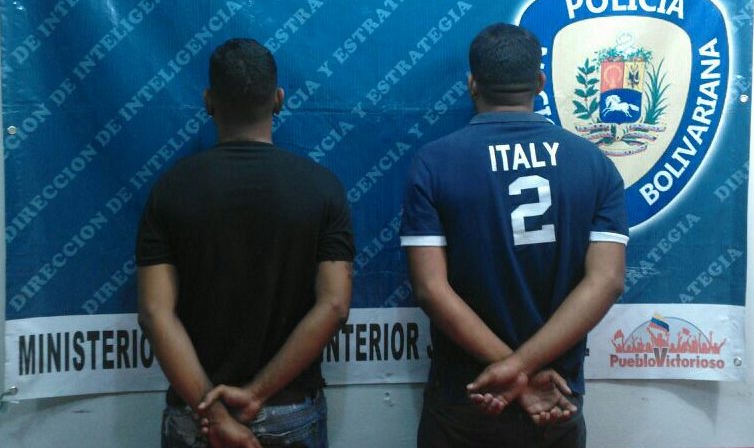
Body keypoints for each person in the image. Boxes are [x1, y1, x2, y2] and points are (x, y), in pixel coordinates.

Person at [400, 23, 628, 448]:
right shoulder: (594, 163)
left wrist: (512, 371)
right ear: (540, 83)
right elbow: (607, 281)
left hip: (468, 396)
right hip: (556, 398)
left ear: (472, 84)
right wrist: (526, 372)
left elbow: (431, 289)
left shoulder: (433, 162)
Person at [136, 38, 355, 448]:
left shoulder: (170, 190)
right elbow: (334, 305)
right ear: (278, 99)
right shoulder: (323, 189)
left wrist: (215, 414)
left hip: (196, 417)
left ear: (208, 101)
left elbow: (154, 312)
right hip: (290, 410)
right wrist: (256, 394)